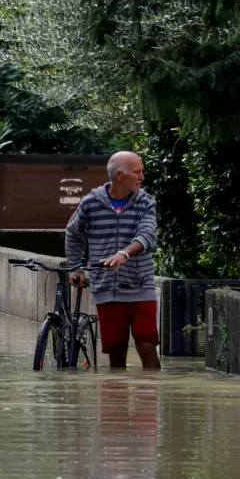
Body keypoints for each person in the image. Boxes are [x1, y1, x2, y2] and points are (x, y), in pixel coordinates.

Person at [65, 151, 161, 370]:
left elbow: (147, 235)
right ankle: (116, 400)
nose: (141, 177)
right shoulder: (90, 204)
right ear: (120, 175)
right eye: (137, 172)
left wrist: (124, 254)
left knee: (147, 344)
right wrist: (75, 268)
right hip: (106, 287)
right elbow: (73, 233)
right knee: (116, 350)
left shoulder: (145, 202)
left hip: (140, 285)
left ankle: (151, 398)